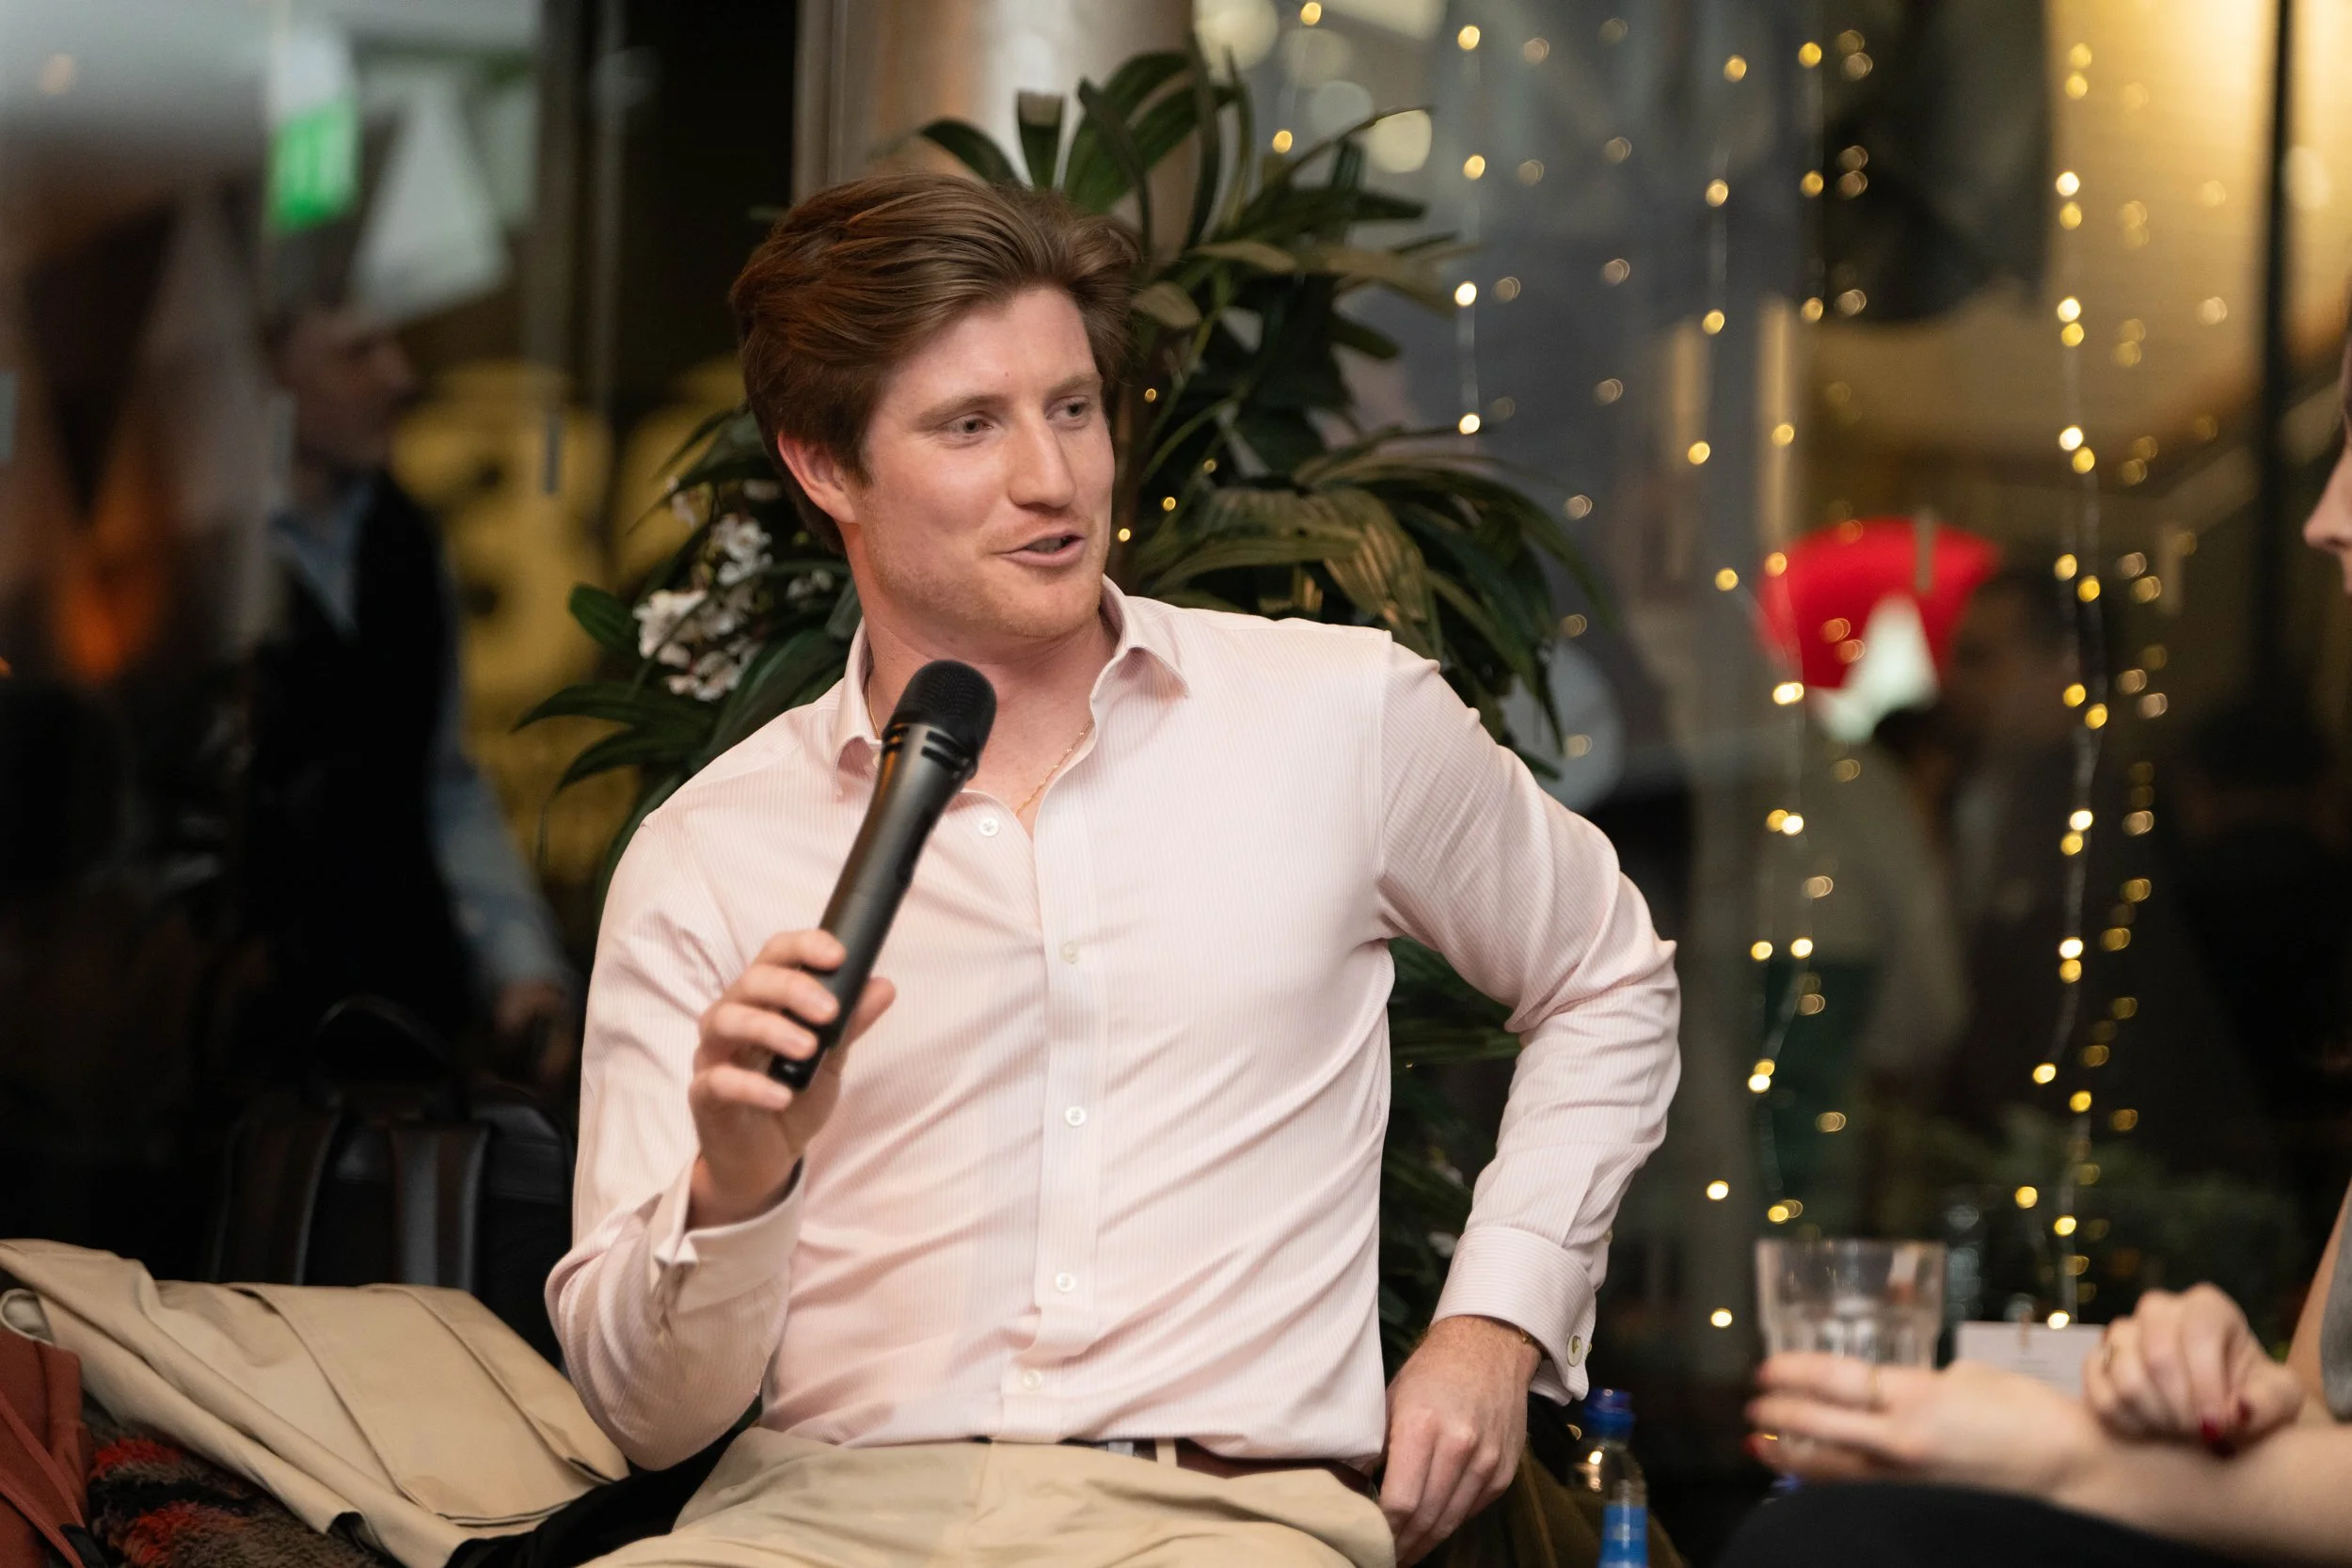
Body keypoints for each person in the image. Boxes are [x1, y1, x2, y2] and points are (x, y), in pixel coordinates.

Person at [548, 174, 1682, 1568]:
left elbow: (1606, 974)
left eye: (1071, 407)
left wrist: (1493, 1324)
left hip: (1221, 1519)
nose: (1054, 477)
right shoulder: (713, 851)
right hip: (821, 1519)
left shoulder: (1338, 716)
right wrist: (735, 1180)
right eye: (972, 424)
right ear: (825, 466)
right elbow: (642, 1416)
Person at [1721, 335, 2352, 1568]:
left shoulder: (2108, 829)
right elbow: (2316, 1401)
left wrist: (2064, 1452)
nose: (2324, 517)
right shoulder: (1984, 809)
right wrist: (2218, 1361)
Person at [233, 256, 574, 1078]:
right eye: (359, 352)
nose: (400, 378)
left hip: (396, 1025)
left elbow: (442, 779)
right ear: (269, 372)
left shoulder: (403, 535)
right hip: (234, 1036)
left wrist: (520, 966)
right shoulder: (204, 551)